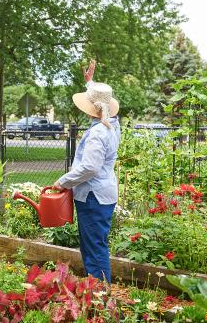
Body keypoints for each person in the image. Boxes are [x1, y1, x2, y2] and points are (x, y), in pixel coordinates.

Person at [52, 60, 120, 283]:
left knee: (94, 248)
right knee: (95, 243)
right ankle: (99, 292)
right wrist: (90, 83)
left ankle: (100, 296)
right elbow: (101, 102)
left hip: (93, 197)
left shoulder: (98, 133)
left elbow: (90, 167)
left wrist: (63, 181)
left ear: (92, 109)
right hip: (103, 195)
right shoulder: (112, 123)